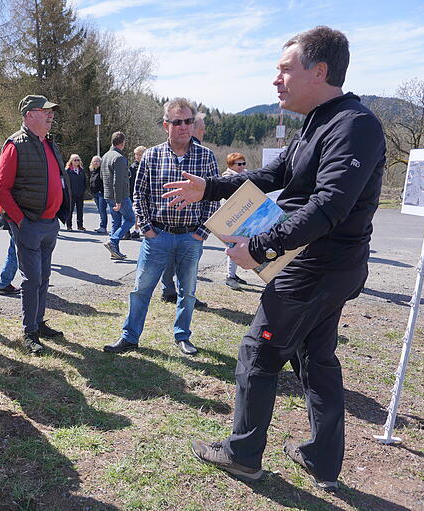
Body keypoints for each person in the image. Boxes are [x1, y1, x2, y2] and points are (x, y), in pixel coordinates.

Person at [166, 27, 385, 489]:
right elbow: (275, 173)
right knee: (317, 358)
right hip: (320, 268)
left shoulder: (354, 125)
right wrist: (209, 188)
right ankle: (322, 460)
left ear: (320, 70)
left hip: (318, 268)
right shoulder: (317, 122)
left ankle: (242, 454)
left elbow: (328, 206)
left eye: (285, 69)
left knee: (258, 354)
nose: (275, 80)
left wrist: (261, 248)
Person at [103, 98, 219, 357]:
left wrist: (202, 232)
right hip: (157, 236)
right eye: (177, 122)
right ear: (166, 125)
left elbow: (213, 198)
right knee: (141, 289)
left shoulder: (206, 156)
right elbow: (139, 194)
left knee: (187, 292)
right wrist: (146, 228)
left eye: (188, 121)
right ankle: (129, 337)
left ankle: (182, 336)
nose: (183, 127)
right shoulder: (152, 156)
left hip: (191, 237)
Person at [0, 95, 71, 354]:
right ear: (28, 115)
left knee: (44, 277)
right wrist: (22, 222)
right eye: (44, 111)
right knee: (32, 279)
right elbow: (0, 190)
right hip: (30, 224)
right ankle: (29, 332)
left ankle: (38, 322)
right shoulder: (15, 144)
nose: (51, 115)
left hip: (49, 223)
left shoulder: (49, 143)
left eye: (51, 112)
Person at [160, 113, 210, 309]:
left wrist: (202, 231)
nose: (203, 131)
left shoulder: (197, 152)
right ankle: (180, 292)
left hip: (188, 226)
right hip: (181, 221)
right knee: (184, 264)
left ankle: (173, 291)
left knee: (174, 261)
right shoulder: (195, 152)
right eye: (201, 127)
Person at [101, 131, 134, 259]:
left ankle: (114, 251)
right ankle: (113, 241)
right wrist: (119, 200)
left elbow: (105, 177)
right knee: (131, 219)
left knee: (116, 221)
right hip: (119, 196)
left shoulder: (105, 156)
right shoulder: (119, 158)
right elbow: (117, 181)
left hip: (108, 195)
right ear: (122, 143)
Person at [223, 152, 249, 290]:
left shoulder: (246, 175)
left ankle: (234, 273)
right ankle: (230, 276)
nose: (242, 166)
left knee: (242, 245)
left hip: (245, 213)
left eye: (243, 163)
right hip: (233, 216)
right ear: (231, 165)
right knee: (233, 246)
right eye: (239, 164)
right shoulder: (226, 177)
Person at [126, 146, 146, 239]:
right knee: (135, 212)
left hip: (145, 191)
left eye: (139, 154)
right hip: (134, 192)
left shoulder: (147, 165)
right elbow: (130, 181)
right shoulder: (133, 166)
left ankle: (139, 229)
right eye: (136, 154)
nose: (137, 156)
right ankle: (136, 230)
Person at [65, 154, 87, 231]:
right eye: (75, 160)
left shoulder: (81, 170)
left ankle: (80, 225)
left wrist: (83, 190)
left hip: (80, 194)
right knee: (70, 211)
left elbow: (84, 182)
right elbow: (65, 183)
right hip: (71, 195)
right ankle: (69, 226)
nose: (77, 161)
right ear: (71, 161)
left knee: (80, 211)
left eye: (78, 160)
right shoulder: (67, 171)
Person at [88, 155, 108, 234]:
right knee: (100, 210)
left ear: (100, 162)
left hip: (101, 193)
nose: (96, 163)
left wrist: (101, 191)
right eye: (94, 161)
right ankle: (101, 225)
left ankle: (103, 227)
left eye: (97, 161)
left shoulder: (101, 171)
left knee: (102, 210)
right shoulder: (93, 171)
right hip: (95, 194)